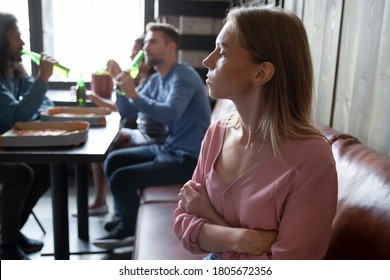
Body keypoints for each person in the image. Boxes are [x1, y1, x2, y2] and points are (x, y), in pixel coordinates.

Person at [173, 6, 338, 260]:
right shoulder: (217, 132)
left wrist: (209, 216)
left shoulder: (312, 158)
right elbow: (183, 221)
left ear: (261, 73)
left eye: (223, 52)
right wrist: (245, 239)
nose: (207, 61)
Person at [92, 22, 212, 249]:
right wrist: (120, 84)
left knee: (121, 178)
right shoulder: (157, 79)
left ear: (171, 46)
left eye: (152, 42)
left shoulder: (183, 75)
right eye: (146, 42)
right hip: (169, 149)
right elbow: (128, 110)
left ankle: (127, 231)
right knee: (113, 159)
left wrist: (133, 93)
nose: (146, 47)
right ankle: (124, 220)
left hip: (189, 159)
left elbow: (171, 114)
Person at [72, 35, 166, 217]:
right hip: (140, 132)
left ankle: (113, 206)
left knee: (107, 151)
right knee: (101, 146)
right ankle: (106, 203)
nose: (132, 57)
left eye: (136, 52)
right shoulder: (143, 80)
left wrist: (117, 80)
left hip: (151, 137)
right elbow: (125, 107)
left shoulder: (155, 81)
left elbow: (126, 110)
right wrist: (97, 96)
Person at [0, 12, 55, 260]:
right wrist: (43, 77)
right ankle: (7, 245)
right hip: (5, 147)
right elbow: (16, 118)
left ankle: (9, 231)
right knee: (20, 172)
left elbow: (42, 102)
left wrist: (37, 86)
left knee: (45, 168)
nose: (22, 43)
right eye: (16, 37)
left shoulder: (12, 72)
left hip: (7, 145)